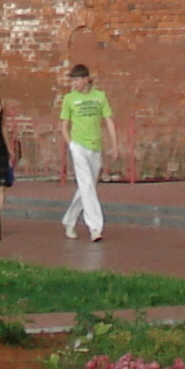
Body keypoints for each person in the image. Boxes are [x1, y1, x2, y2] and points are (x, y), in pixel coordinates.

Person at [59, 62, 117, 242]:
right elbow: (64, 125)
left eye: (77, 80)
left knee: (87, 186)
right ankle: (95, 227)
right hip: (78, 146)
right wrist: (71, 145)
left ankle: (69, 220)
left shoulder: (100, 97)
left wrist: (114, 145)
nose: (74, 83)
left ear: (86, 80)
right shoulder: (69, 99)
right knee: (87, 185)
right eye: (73, 80)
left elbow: (108, 121)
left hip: (95, 147)